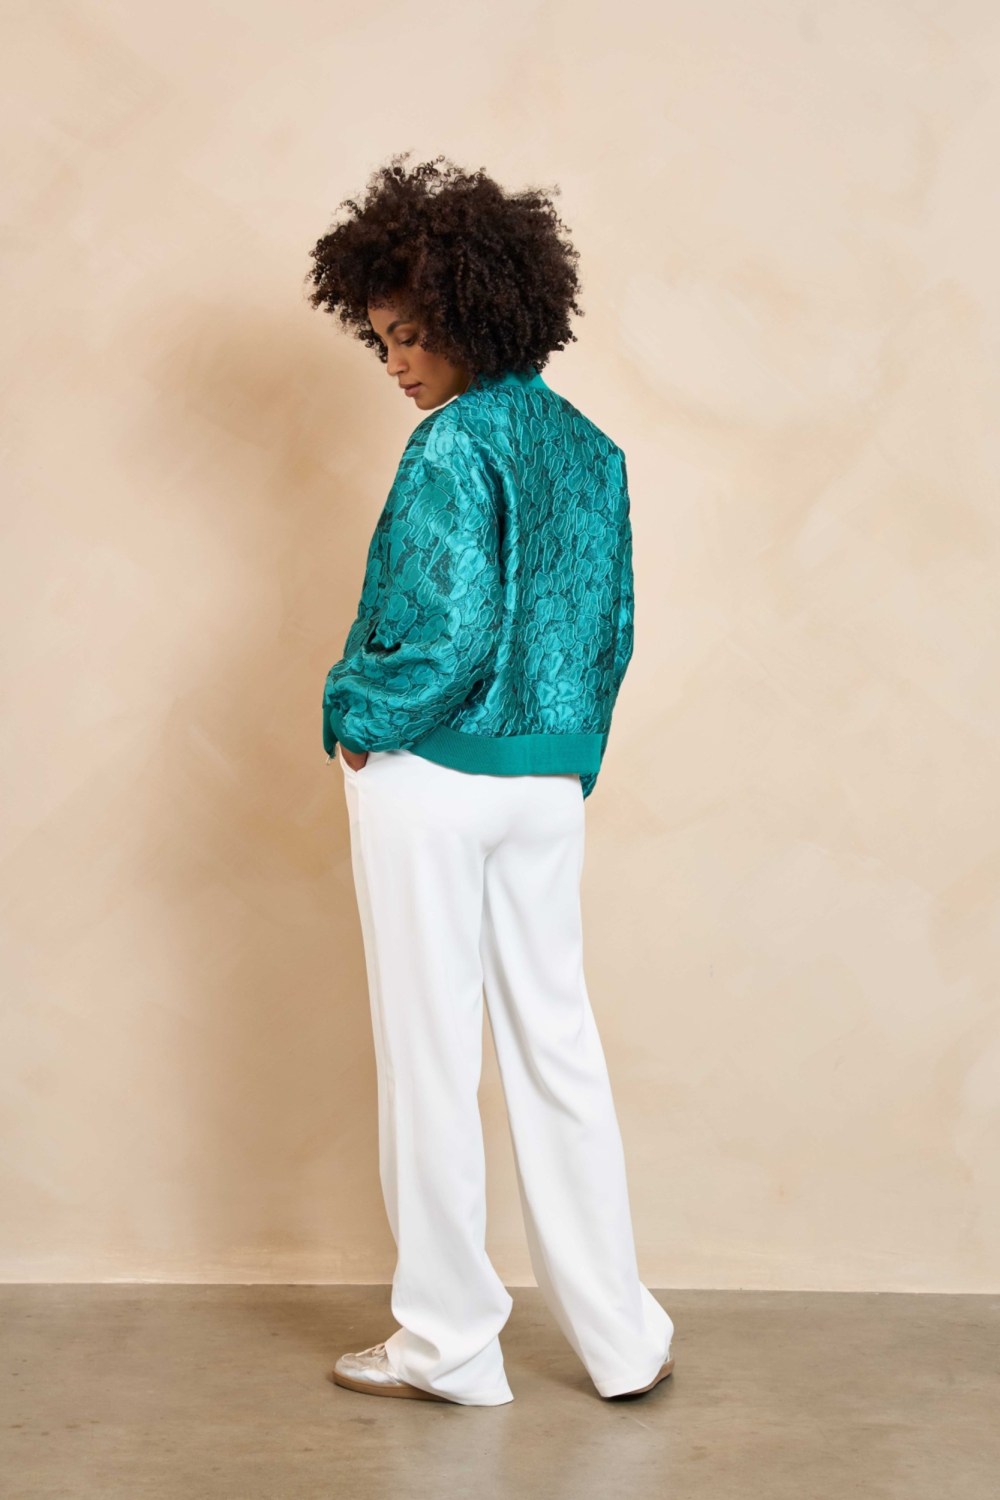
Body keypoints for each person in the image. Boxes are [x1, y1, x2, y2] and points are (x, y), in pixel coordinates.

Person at [308, 157, 673, 1407]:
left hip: (432, 779)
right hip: (544, 786)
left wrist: (355, 714)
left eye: (410, 336)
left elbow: (445, 628)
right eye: (380, 342)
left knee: (428, 1057)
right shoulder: (591, 450)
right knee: (558, 1049)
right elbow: (610, 628)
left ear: (471, 313)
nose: (395, 364)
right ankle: (622, 1338)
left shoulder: (451, 445)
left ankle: (448, 1344)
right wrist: (570, 755)